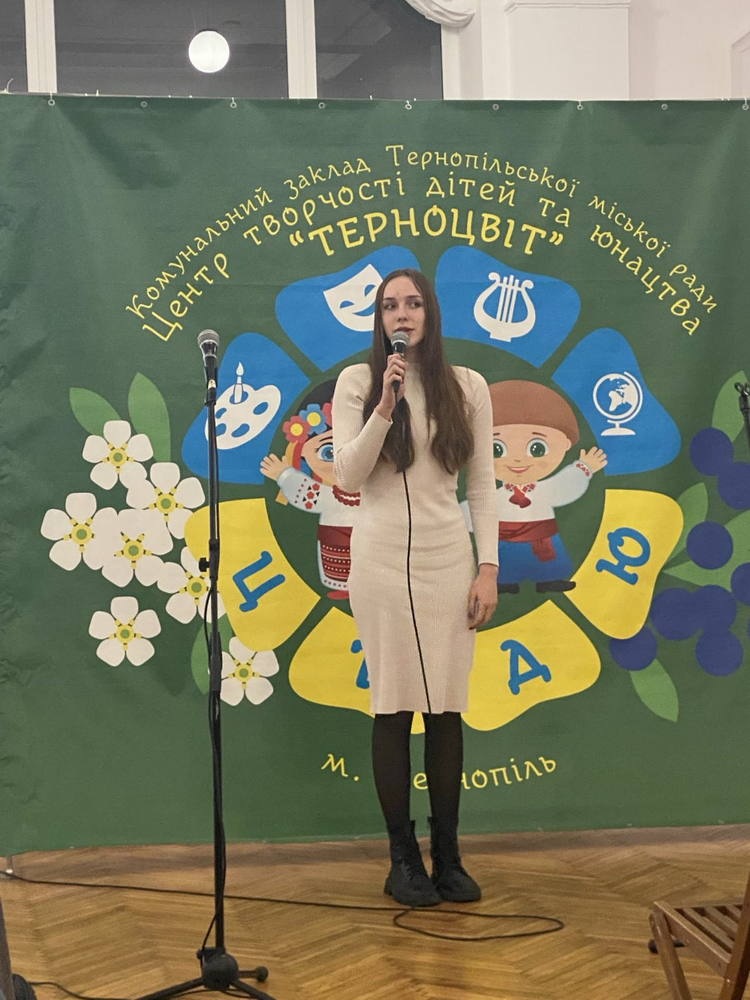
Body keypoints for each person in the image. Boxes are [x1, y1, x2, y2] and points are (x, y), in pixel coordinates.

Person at [332, 268, 499, 908]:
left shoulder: (468, 386)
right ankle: (402, 861)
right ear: (379, 320)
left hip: (448, 558)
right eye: (388, 306)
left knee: (446, 709)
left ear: (430, 313)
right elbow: (348, 475)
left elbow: (481, 485)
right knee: (395, 704)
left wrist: (489, 568)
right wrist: (384, 407)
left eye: (412, 303)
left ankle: (448, 857)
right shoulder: (359, 382)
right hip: (379, 560)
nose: (401, 314)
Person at [488, 380, 607, 594]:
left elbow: (565, 486)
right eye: (497, 449)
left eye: (537, 448)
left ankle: (550, 580)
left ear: (565, 444)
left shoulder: (545, 490)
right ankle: (505, 582)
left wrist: (584, 467)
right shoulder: (491, 495)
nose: (517, 460)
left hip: (543, 536)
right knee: (505, 562)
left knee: (550, 563)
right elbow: (474, 509)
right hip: (505, 538)